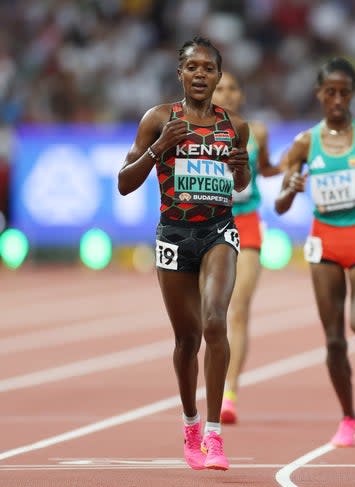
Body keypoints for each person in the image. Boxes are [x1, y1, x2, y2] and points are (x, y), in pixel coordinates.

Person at [117, 36, 249, 471]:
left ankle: (214, 435)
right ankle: (190, 424)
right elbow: (124, 182)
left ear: (218, 76)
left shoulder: (235, 126)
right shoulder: (159, 119)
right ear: (180, 73)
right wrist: (160, 146)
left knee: (215, 321)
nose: (200, 74)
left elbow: (242, 181)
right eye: (192, 67)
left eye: (208, 68)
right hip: (174, 236)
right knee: (186, 339)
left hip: (219, 232)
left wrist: (240, 165)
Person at [274, 57, 355, 448]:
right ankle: (348, 416)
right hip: (323, 244)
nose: (338, 99)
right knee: (333, 340)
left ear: (353, 95)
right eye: (331, 92)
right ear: (319, 94)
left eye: (345, 92)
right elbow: (279, 205)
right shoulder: (304, 143)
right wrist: (291, 188)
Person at [212, 71, 281, 425]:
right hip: (208, 223)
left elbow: (266, 167)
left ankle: (230, 392)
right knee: (209, 314)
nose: (227, 94)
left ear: (241, 94)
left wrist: (290, 170)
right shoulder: (196, 132)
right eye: (220, 88)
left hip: (247, 223)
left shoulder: (257, 132)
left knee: (238, 310)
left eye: (233, 88)